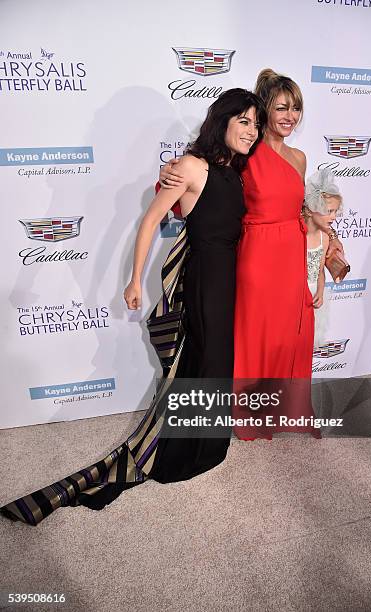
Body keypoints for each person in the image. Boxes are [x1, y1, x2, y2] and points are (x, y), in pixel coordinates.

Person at [0, 89, 267, 525]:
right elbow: (150, 220)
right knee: (204, 360)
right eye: (244, 121)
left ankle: (207, 444)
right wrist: (133, 279)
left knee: (213, 362)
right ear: (222, 121)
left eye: (256, 124)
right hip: (202, 281)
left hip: (228, 280)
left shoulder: (233, 172)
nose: (251, 131)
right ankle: (181, 452)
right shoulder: (191, 167)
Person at [159, 68, 344, 438]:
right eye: (281, 108)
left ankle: (284, 410)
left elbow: (305, 212)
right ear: (264, 111)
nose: (290, 116)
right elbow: (205, 174)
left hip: (291, 254)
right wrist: (170, 172)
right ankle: (247, 413)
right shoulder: (246, 151)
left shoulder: (301, 157)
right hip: (256, 254)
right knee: (257, 334)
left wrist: (320, 265)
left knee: (290, 335)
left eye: (296, 109)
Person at [304, 169, 343, 349]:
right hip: (295, 296)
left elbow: (319, 271)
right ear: (312, 210)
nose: (334, 217)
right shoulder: (297, 236)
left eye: (335, 211)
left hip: (314, 298)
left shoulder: (325, 238)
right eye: (329, 211)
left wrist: (320, 290)